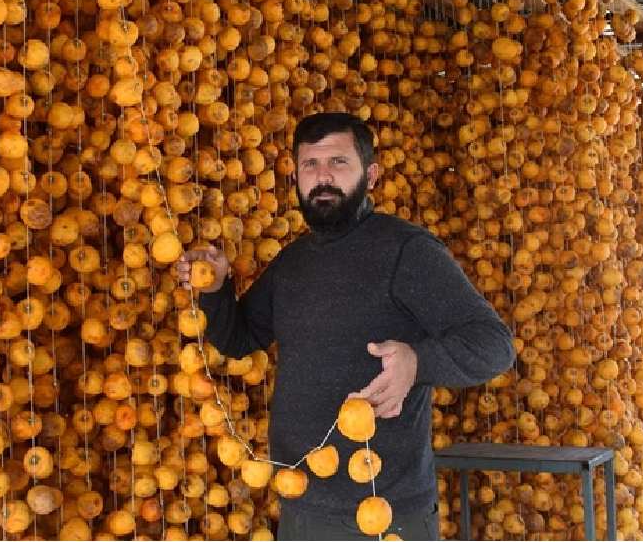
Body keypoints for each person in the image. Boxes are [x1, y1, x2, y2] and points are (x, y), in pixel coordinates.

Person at [176, 112, 516, 540]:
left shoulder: (407, 250)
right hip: (302, 505)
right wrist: (218, 288)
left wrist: (417, 361)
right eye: (310, 165)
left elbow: (494, 344)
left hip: (384, 513)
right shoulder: (293, 263)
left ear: (370, 175)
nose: (322, 178)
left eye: (338, 163)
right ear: (296, 176)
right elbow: (241, 339)